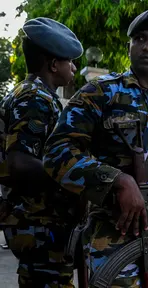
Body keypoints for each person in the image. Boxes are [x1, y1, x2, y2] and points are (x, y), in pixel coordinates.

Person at [43, 4, 148, 287]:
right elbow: (56, 153)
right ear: (129, 46)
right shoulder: (99, 94)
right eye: (140, 39)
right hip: (111, 242)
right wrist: (116, 181)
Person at [0, 17, 82, 287]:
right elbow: (20, 162)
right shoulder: (35, 97)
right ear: (53, 64)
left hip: (40, 224)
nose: (74, 66)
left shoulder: (30, 93)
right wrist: (77, 178)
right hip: (40, 225)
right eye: (69, 60)